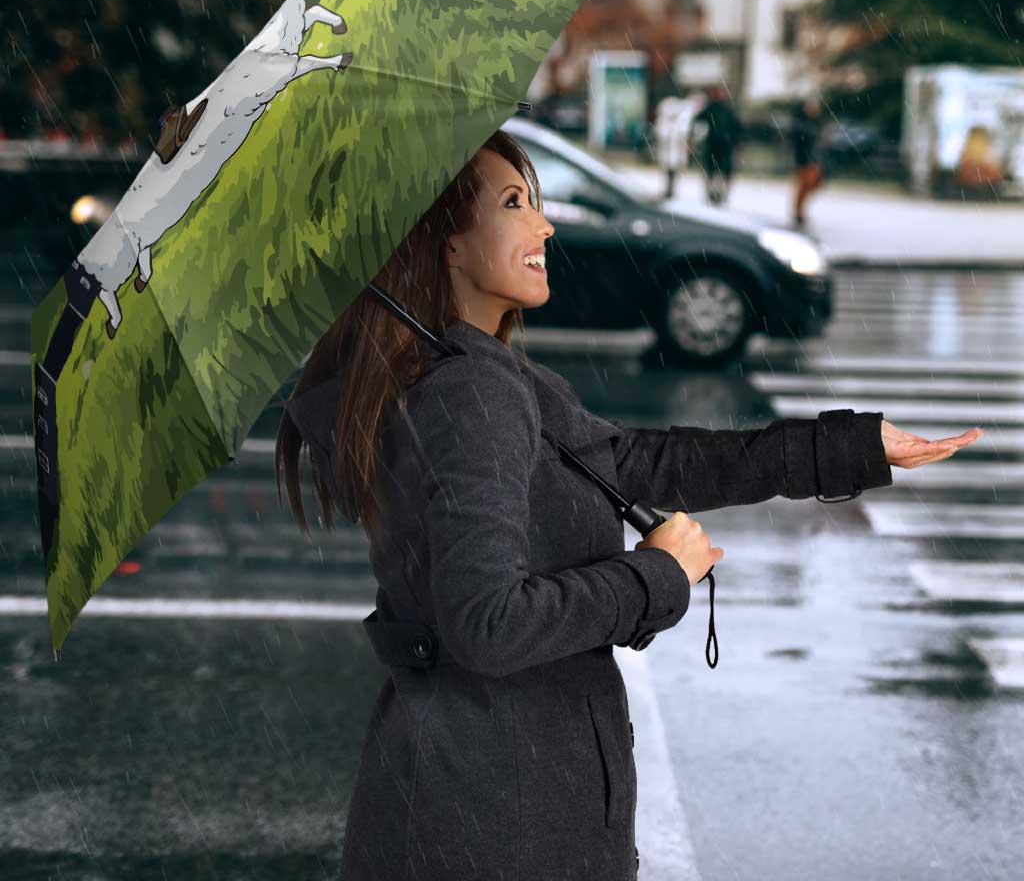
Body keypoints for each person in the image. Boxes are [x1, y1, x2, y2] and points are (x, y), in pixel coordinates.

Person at [275, 128, 973, 881]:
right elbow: (488, 624)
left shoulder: (475, 375)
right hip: (498, 820)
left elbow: (640, 462)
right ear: (445, 242)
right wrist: (656, 576)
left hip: (477, 801)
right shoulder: (469, 394)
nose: (544, 225)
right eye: (515, 203)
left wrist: (851, 448)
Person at [692, 83, 742, 206]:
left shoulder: (725, 109)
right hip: (715, 145)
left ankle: (719, 194)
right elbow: (698, 121)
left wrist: (735, 141)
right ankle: (713, 194)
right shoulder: (712, 108)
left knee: (720, 172)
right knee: (713, 171)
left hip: (723, 145)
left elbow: (736, 127)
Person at [790, 96, 826, 227]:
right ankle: (798, 212)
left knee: (812, 185)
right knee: (804, 186)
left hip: (814, 160)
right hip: (805, 160)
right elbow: (799, 143)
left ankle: (799, 211)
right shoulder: (802, 124)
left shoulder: (817, 123)